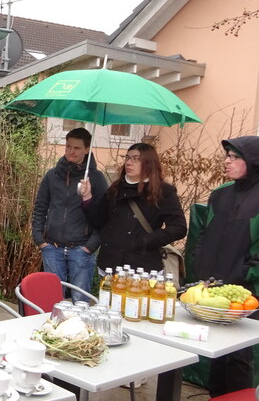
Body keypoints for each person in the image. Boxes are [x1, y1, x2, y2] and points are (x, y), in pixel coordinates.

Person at [187, 136, 259, 401]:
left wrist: (247, 276)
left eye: (234, 156)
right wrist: (202, 274)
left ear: (253, 161)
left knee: (240, 356)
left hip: (246, 294)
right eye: (226, 156)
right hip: (214, 290)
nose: (226, 161)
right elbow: (204, 239)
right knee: (215, 352)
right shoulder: (220, 195)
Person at [80, 142, 187, 272]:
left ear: (149, 163)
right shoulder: (115, 188)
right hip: (110, 264)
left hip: (143, 267)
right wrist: (87, 198)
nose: (129, 163)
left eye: (136, 159)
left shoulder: (163, 191)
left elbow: (178, 228)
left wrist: (145, 241)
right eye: (127, 158)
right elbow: (98, 221)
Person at [32, 127, 108, 301]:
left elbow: (105, 215)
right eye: (68, 146)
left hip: (81, 249)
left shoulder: (95, 178)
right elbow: (40, 207)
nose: (71, 151)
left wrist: (90, 246)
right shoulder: (52, 175)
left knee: (80, 301)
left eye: (77, 148)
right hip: (52, 248)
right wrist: (40, 239)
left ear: (87, 149)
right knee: (52, 301)